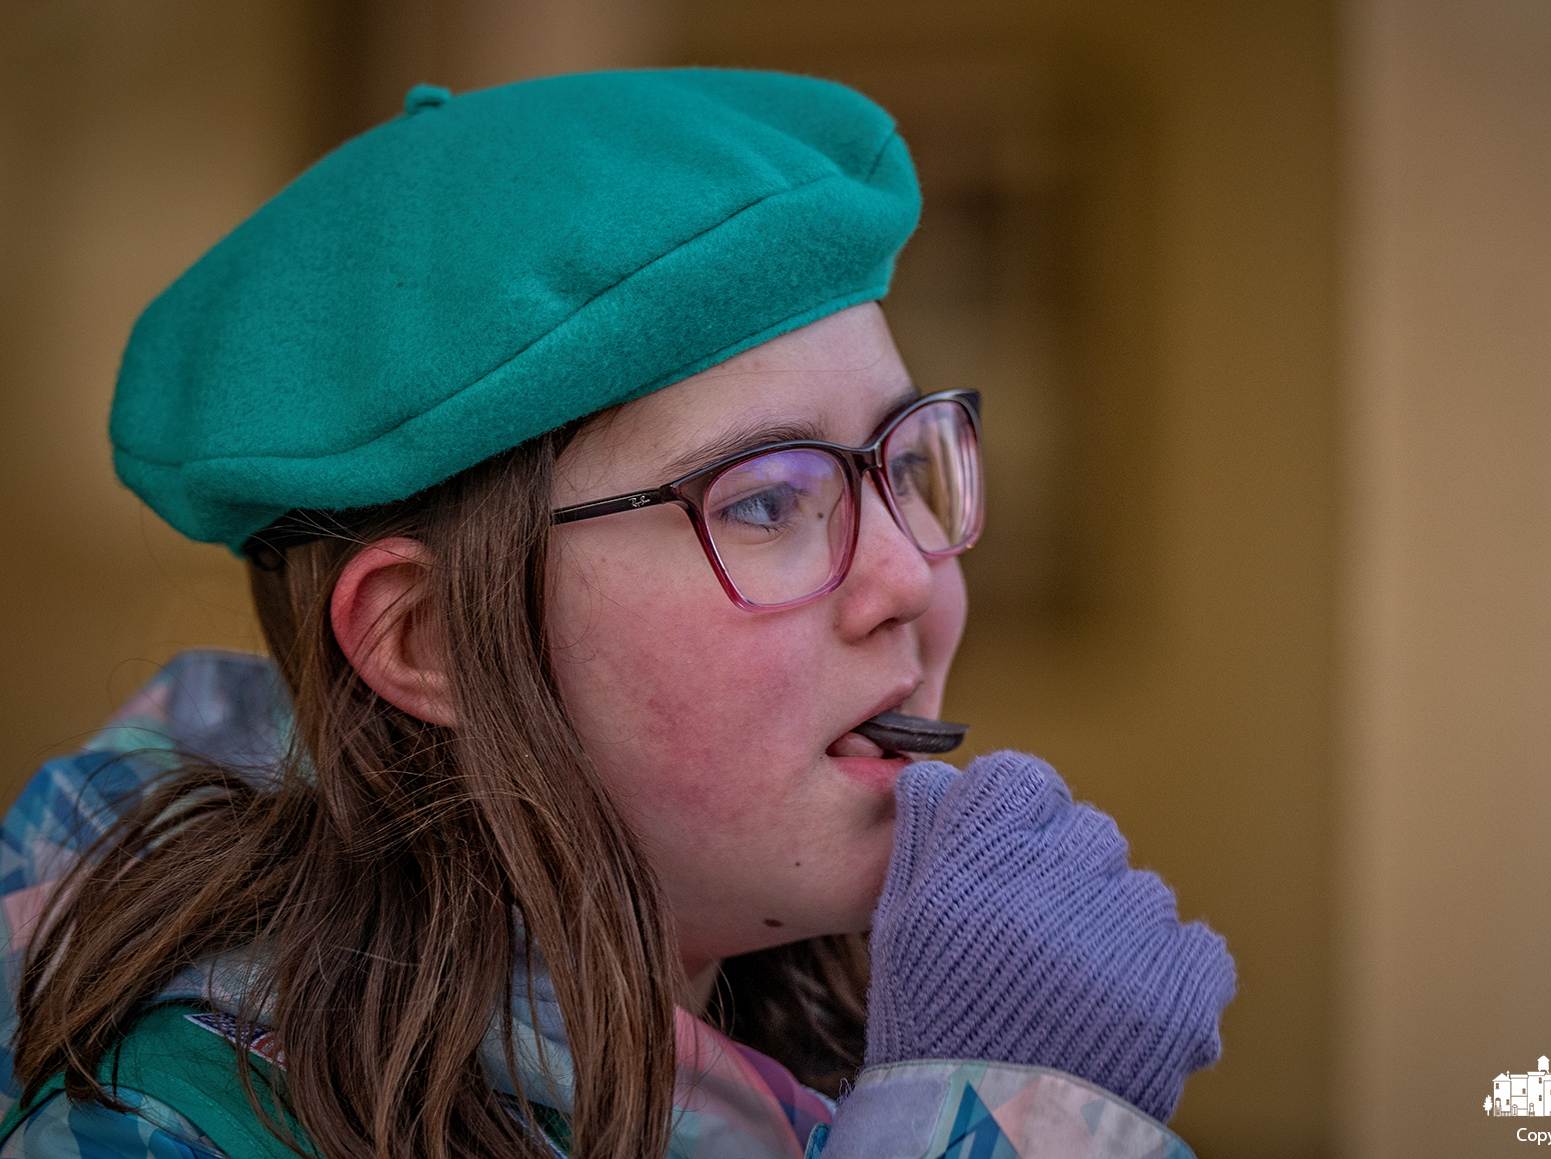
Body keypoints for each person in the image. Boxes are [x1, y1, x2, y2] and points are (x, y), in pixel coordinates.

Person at [0, 70, 1234, 1159]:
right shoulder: (156, 1130)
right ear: (423, 640)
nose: (911, 580)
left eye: (906, 464)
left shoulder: (821, 1027)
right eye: (766, 502)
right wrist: (1007, 1124)